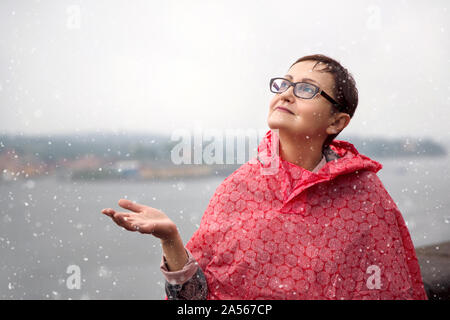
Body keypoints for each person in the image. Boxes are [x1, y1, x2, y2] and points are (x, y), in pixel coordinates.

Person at [101, 54, 428, 300]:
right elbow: (195, 301)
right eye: (283, 84)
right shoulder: (239, 188)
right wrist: (171, 240)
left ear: (336, 123)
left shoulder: (365, 194)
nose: (286, 94)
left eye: (305, 89)